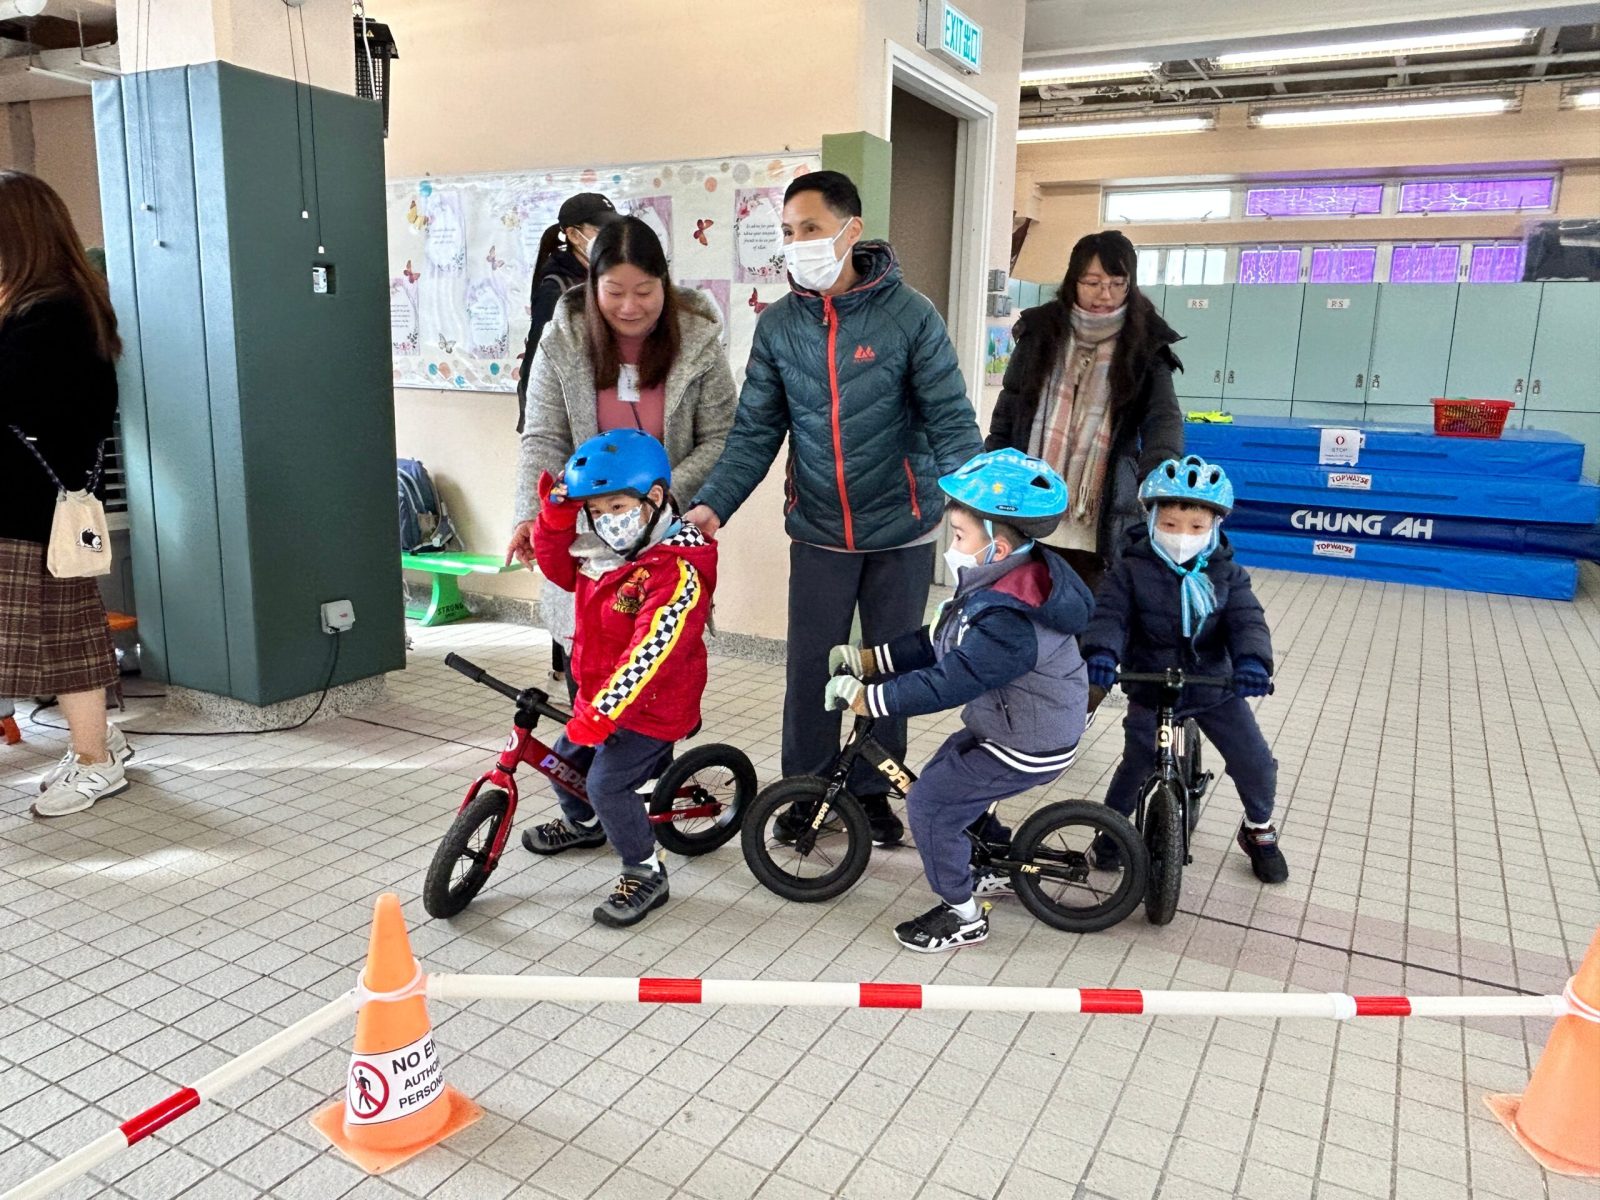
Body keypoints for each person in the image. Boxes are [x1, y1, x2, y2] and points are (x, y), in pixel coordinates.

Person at [684, 170, 981, 847]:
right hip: (819, 529)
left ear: (851, 231)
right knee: (813, 670)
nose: (797, 244)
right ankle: (805, 793)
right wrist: (713, 505)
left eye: (811, 229)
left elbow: (951, 421)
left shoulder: (911, 316)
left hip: (904, 527)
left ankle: (872, 792)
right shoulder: (779, 326)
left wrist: (981, 511)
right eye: (789, 232)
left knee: (891, 666)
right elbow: (754, 434)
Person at [825, 449, 1092, 952]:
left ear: (997, 546)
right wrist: (870, 660)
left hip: (1030, 741)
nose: (952, 546)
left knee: (930, 805)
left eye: (960, 536)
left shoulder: (1010, 620)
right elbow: (938, 641)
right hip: (1012, 724)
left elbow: (951, 680)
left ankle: (963, 915)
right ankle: (993, 858)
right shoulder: (998, 582)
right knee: (947, 768)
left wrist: (870, 700)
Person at [509, 215, 735, 695]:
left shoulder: (698, 340)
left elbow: (721, 438)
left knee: (658, 676)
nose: (630, 307)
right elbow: (544, 437)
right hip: (588, 548)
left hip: (662, 543)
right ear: (592, 286)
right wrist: (529, 515)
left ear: (664, 284)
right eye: (614, 292)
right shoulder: (563, 341)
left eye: (645, 291)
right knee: (591, 681)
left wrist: (654, 500)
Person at [525, 430, 716, 927]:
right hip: (600, 696)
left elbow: (651, 653)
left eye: (617, 506)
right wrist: (555, 519)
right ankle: (586, 824)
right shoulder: (603, 554)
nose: (607, 519)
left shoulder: (676, 570)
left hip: (652, 707)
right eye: (595, 510)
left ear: (654, 497)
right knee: (561, 762)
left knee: (607, 784)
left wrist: (601, 714)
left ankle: (645, 869)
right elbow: (558, 571)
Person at [1080, 455, 1288, 884]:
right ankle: (1111, 830)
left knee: (1255, 762)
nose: (1182, 536)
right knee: (1137, 762)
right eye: (1170, 524)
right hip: (1152, 685)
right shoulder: (1130, 569)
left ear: (1215, 527)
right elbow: (1110, 616)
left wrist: (1251, 662)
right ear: (1152, 520)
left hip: (1214, 686)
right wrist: (1100, 653)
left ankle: (1258, 829)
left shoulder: (1227, 573)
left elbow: (1247, 621)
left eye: (1196, 527)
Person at [0, 171, 132, 816]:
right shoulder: (62, 307)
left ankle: (96, 759)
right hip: (36, 512)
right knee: (68, 639)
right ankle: (97, 749)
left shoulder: (49, 318)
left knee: (68, 641)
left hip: (28, 512)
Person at [985, 230, 1184, 594]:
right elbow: (1009, 411)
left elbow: (1163, 420)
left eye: (1117, 283)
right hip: (1029, 507)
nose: (1104, 295)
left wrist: (1160, 477)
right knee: (1021, 606)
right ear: (1072, 281)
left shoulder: (1146, 344)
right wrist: (991, 472)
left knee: (1088, 612)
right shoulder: (1041, 331)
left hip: (1095, 520)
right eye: (1092, 283)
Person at [515, 191, 620, 434]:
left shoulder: (603, 278)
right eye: (601, 230)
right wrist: (538, 428)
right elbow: (539, 356)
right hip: (566, 417)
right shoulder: (556, 288)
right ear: (573, 234)